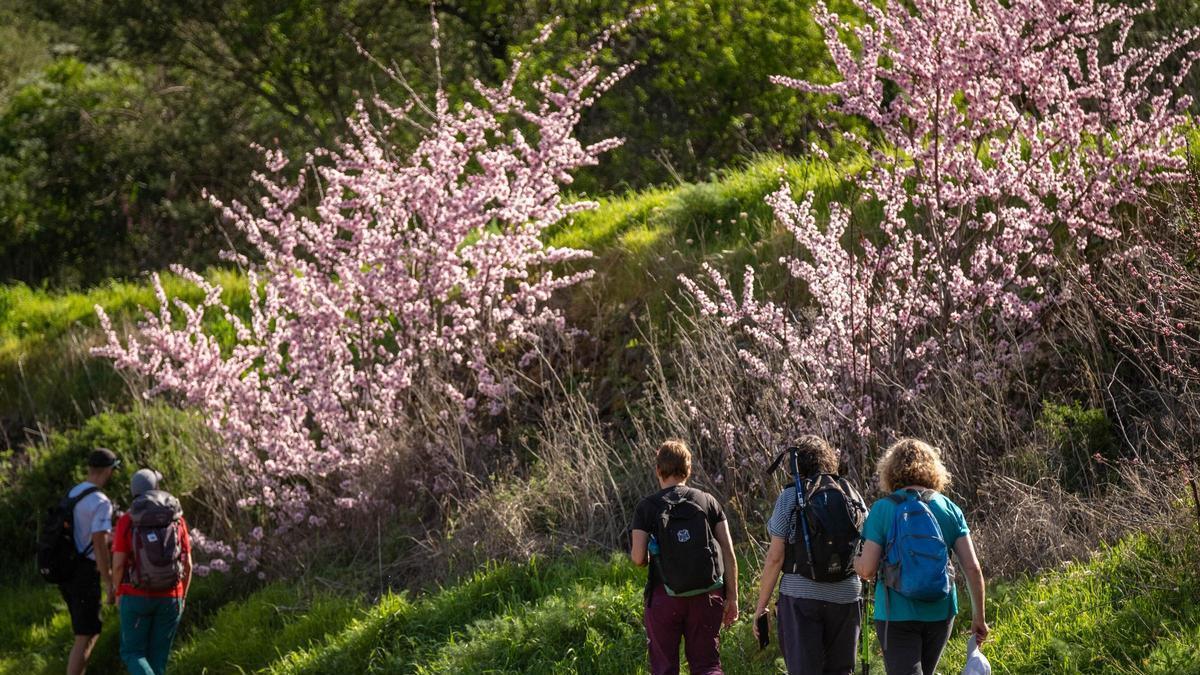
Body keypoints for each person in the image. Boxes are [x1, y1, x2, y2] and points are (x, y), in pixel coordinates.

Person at [854, 438, 988, 675]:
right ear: (933, 470)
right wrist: (979, 617)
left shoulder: (883, 509)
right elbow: (973, 568)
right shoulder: (948, 507)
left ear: (890, 470)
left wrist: (853, 558)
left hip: (895, 615)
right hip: (940, 612)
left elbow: (866, 570)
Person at [752, 435, 866, 675]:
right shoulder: (850, 492)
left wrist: (761, 607)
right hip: (846, 595)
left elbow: (775, 557)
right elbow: (865, 544)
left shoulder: (791, 496)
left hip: (800, 596)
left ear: (795, 465)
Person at [630, 439, 739, 675]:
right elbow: (728, 552)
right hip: (707, 594)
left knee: (664, 668)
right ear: (688, 469)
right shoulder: (708, 501)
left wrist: (656, 554)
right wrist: (733, 596)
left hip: (664, 596)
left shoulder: (647, 507)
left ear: (658, 470)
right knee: (707, 665)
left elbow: (638, 558)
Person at [110, 468, 193, 675]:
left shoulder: (127, 521)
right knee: (159, 659)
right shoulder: (176, 519)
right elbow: (188, 563)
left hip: (135, 596)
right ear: (156, 488)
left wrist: (117, 591)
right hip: (171, 596)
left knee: (133, 653)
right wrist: (182, 597)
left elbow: (118, 564)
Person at [60, 447, 119, 675]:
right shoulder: (100, 501)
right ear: (109, 471)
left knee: (85, 632)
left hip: (67, 569)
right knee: (86, 635)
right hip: (84, 573)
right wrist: (108, 581)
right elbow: (99, 542)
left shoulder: (73, 493)